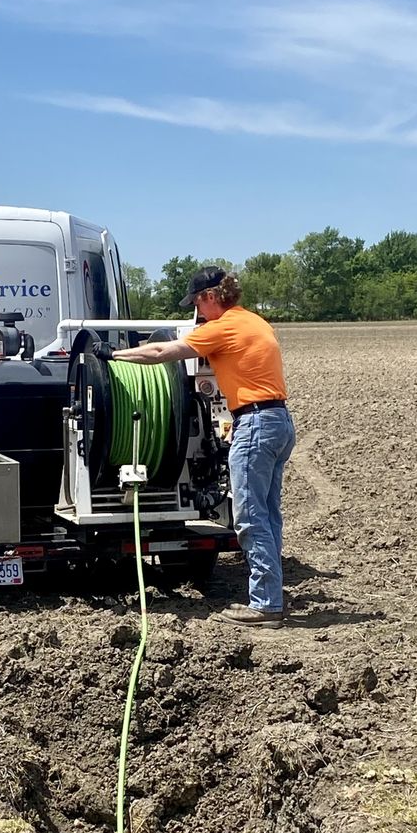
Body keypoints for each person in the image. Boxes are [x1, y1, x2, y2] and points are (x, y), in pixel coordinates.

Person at [95, 266, 294, 629]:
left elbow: (161, 351)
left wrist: (114, 356)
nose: (197, 313)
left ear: (211, 297)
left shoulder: (223, 327)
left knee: (250, 518)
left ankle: (266, 605)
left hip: (255, 424)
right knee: (268, 513)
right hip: (278, 420)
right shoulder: (254, 321)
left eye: (198, 304)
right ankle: (272, 596)